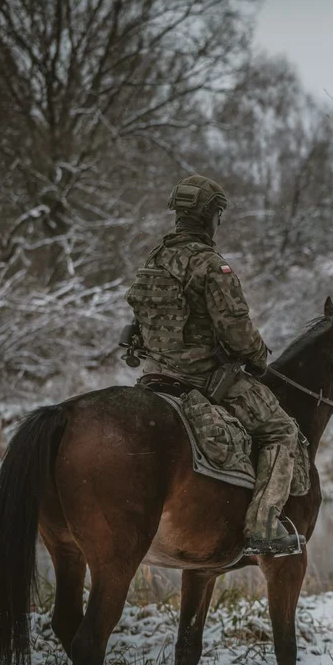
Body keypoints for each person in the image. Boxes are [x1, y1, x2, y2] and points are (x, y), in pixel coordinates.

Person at [125, 174, 303, 556]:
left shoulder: (154, 261)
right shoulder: (210, 265)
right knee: (281, 430)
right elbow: (236, 329)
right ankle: (265, 527)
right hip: (203, 378)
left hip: (155, 374)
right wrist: (257, 357)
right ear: (210, 216)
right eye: (217, 214)